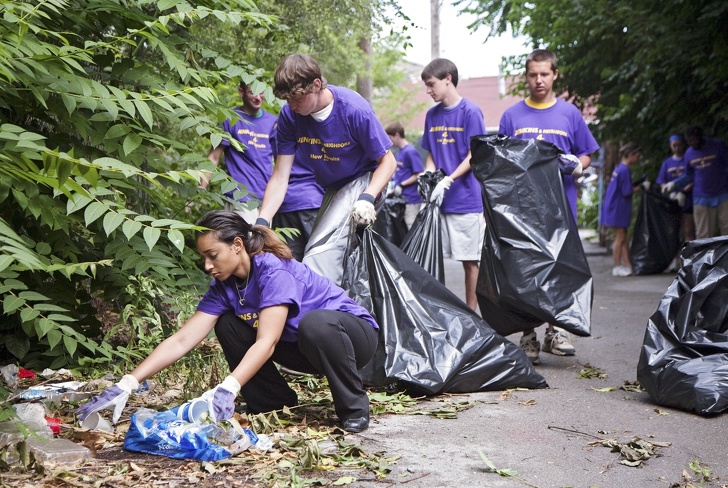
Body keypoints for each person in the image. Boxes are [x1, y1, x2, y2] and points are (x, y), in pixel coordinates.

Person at [76, 210, 379, 433]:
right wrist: (128, 383)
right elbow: (182, 339)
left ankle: (353, 408)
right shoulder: (224, 286)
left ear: (236, 245)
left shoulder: (273, 270)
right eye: (203, 258)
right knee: (229, 325)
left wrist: (228, 387)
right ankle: (271, 402)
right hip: (303, 347)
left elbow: (267, 340)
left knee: (315, 324)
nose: (207, 265)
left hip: (351, 340)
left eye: (213, 255)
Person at [256, 54, 397, 286]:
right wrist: (262, 221)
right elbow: (281, 177)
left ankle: (319, 315)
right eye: (287, 100)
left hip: (365, 180)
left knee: (320, 255)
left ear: (317, 85)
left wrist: (367, 198)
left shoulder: (353, 109)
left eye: (297, 99)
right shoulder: (290, 115)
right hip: (334, 188)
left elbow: (388, 162)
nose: (292, 106)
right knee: (329, 251)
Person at [498, 48, 600, 364]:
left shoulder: (569, 114)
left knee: (557, 269)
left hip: (560, 206)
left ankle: (555, 332)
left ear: (555, 75)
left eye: (544, 74)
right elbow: (500, 162)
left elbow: (587, 153)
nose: (539, 80)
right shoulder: (511, 116)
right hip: (522, 209)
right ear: (526, 77)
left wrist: (578, 165)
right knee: (524, 271)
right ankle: (528, 336)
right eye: (533, 74)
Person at [419, 58, 486, 311]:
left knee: (470, 262)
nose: (428, 90)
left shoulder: (471, 112)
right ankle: (437, 313)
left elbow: (474, 154)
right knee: (432, 261)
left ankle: (471, 314)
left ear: (448, 78)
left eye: (431, 84)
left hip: (466, 200)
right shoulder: (431, 115)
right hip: (438, 202)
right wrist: (428, 175)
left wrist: (449, 178)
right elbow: (431, 153)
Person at [205, 81, 277, 224]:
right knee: (245, 242)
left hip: (267, 198)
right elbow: (213, 157)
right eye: (252, 93)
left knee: (262, 243)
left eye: (261, 93)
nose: (257, 97)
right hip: (240, 196)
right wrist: (202, 187)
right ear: (241, 92)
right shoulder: (230, 118)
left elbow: (282, 162)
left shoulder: (273, 122)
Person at [663, 125, 728, 239]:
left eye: (693, 139)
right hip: (701, 198)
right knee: (703, 235)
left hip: (722, 194)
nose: (691, 143)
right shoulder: (689, 153)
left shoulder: (717, 145)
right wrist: (675, 184)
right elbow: (689, 175)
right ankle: (706, 257)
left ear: (700, 137)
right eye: (688, 141)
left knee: (726, 229)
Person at [602, 142, 643, 277]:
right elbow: (627, 191)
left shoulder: (619, 168)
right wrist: (641, 187)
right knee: (620, 237)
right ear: (631, 155)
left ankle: (628, 266)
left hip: (613, 207)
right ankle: (617, 266)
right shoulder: (625, 170)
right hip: (618, 208)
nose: (638, 159)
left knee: (623, 237)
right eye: (637, 156)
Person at [656, 133, 695, 270]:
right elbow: (662, 182)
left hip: (687, 199)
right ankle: (674, 259)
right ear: (670, 146)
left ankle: (689, 259)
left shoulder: (688, 160)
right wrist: (670, 192)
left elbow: (692, 177)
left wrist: (683, 191)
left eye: (679, 145)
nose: (677, 148)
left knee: (688, 229)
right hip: (672, 202)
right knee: (673, 231)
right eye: (674, 145)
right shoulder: (667, 163)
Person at [384, 122, 424, 230]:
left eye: (390, 137)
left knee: (412, 228)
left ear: (397, 135)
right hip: (402, 199)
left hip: (411, 200)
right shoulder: (400, 152)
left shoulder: (410, 151)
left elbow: (419, 174)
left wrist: (402, 185)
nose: (390, 141)